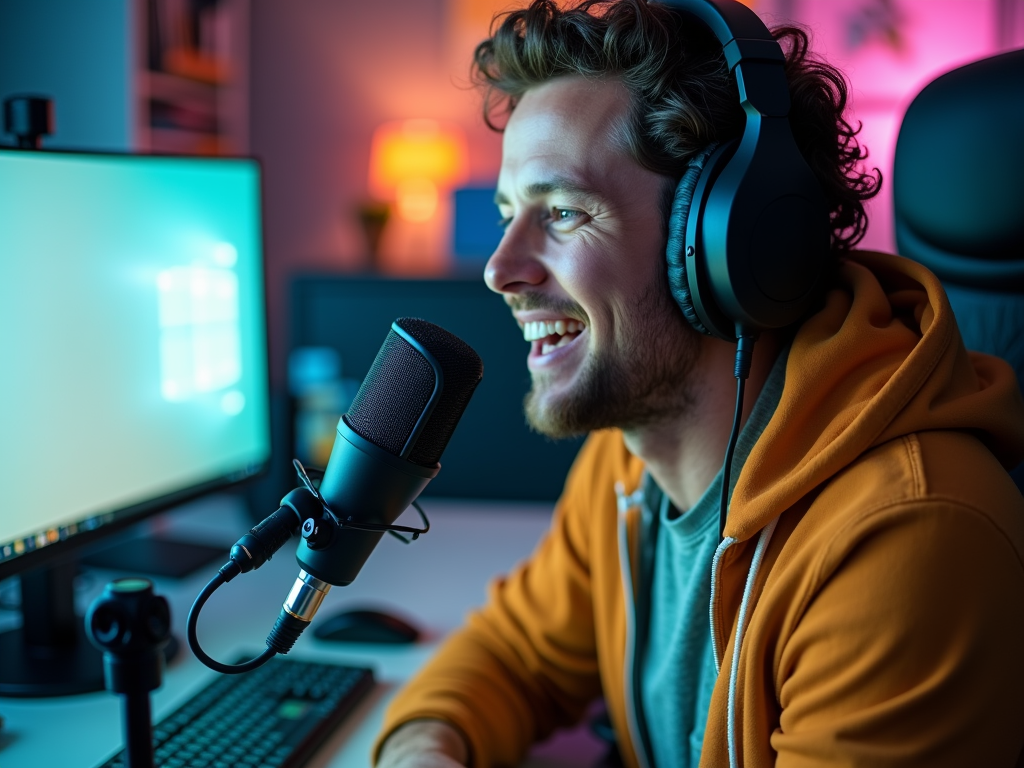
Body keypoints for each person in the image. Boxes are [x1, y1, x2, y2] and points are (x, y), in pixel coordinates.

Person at [375, 1, 1024, 766]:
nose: (498, 269)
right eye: (509, 213)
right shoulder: (630, 461)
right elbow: (514, 653)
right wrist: (424, 747)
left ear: (727, 246)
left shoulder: (906, 540)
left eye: (563, 212)